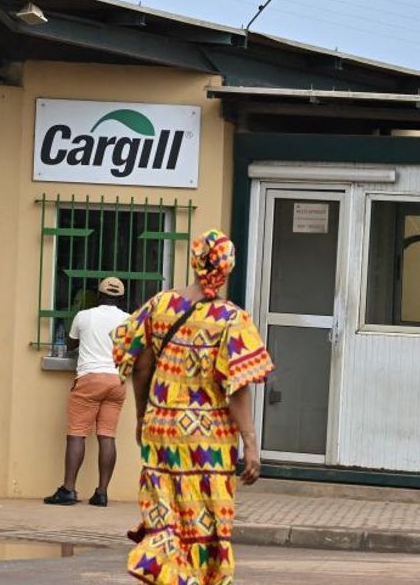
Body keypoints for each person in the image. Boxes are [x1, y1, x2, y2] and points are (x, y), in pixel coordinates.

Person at [113, 229, 274, 585]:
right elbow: (237, 389)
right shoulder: (231, 320)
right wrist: (251, 443)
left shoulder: (159, 306)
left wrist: (143, 416)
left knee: (167, 510)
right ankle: (196, 578)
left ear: (195, 261)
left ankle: (161, 565)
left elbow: (139, 366)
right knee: (206, 514)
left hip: (161, 427)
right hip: (208, 439)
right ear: (227, 268)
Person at [43, 277, 129, 507]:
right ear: (121, 299)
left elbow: (71, 345)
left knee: (77, 434)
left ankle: (68, 490)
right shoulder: (129, 320)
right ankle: (101, 493)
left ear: (99, 296)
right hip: (117, 381)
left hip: (90, 378)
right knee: (107, 436)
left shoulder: (84, 316)